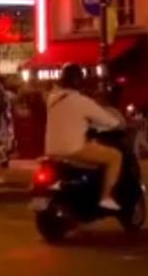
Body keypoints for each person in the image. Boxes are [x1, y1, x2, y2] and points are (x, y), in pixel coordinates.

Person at [46, 64, 126, 210]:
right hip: (74, 149)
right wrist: (120, 124)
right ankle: (106, 197)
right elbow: (108, 121)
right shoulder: (81, 101)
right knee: (115, 156)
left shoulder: (51, 99)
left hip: (51, 150)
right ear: (79, 81)